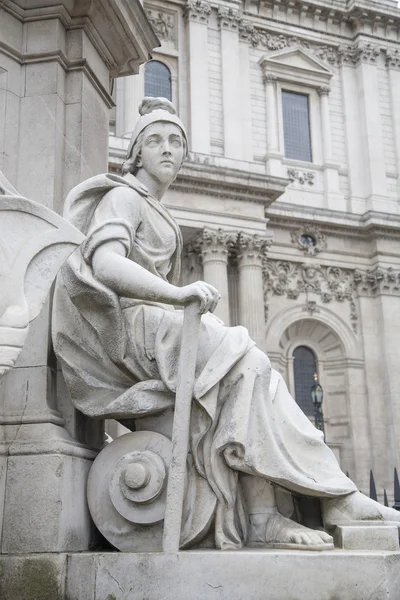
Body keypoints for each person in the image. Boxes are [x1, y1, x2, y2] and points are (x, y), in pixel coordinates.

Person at [52, 97, 400, 551]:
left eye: (176, 141)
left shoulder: (160, 213)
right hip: (132, 327)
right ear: (136, 152)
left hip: (159, 322)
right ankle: (322, 499)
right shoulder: (123, 196)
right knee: (244, 358)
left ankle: (283, 509)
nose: (168, 149)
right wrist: (177, 294)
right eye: (155, 140)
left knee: (248, 369)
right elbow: (105, 264)